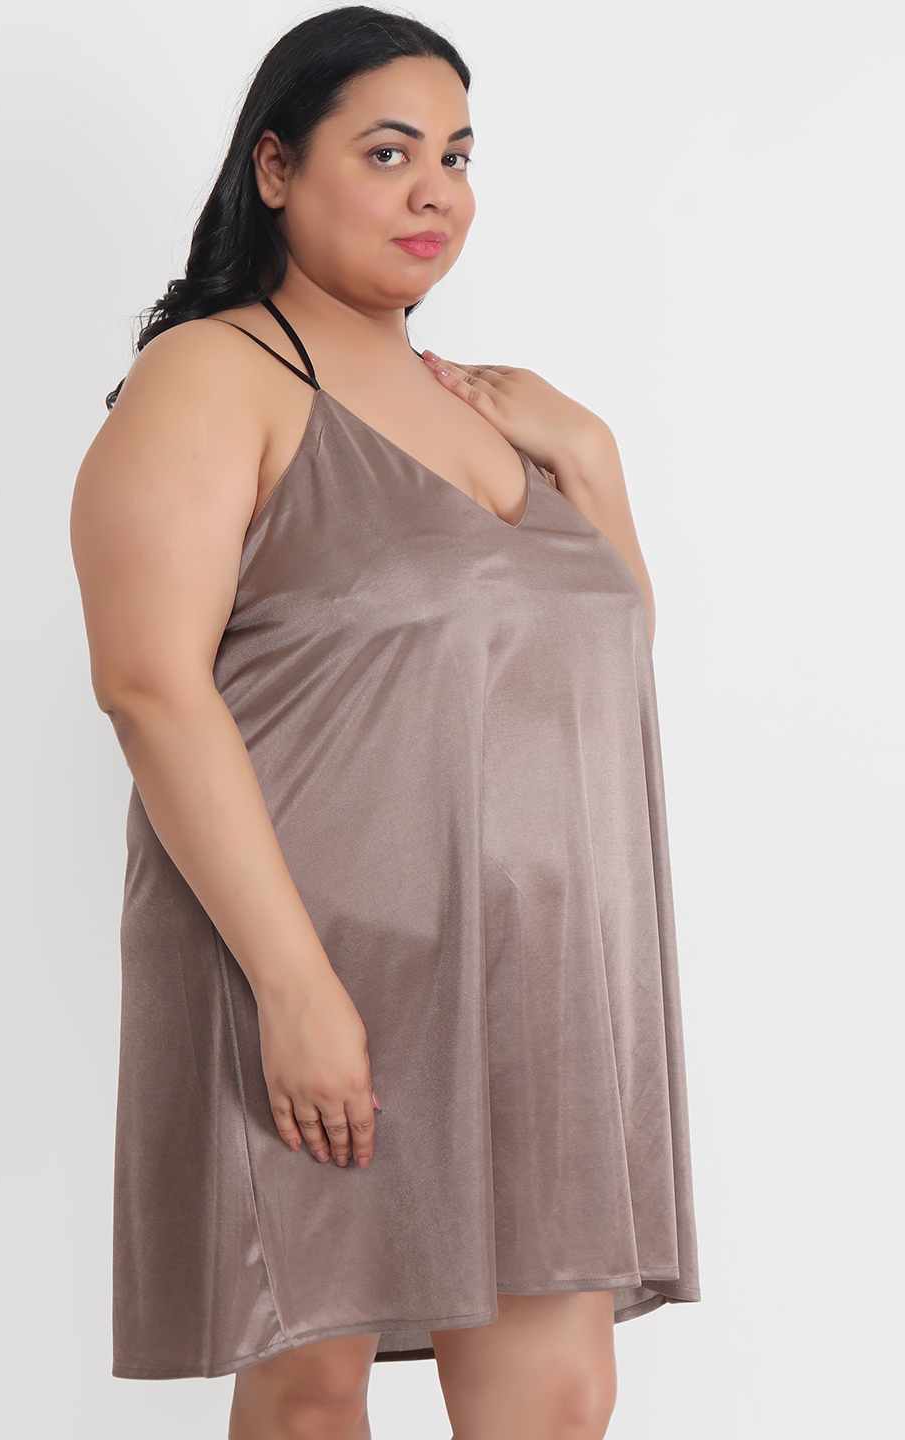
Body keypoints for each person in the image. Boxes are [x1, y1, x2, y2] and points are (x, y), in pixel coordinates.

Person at [70, 7, 701, 1438]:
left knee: (557, 1396)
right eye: (389, 151)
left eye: (459, 157)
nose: (437, 191)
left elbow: (600, 664)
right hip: (311, 956)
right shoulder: (215, 375)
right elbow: (148, 684)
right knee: (312, 1390)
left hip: (538, 972)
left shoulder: (490, 407)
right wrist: (294, 990)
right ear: (276, 167)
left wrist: (592, 458)